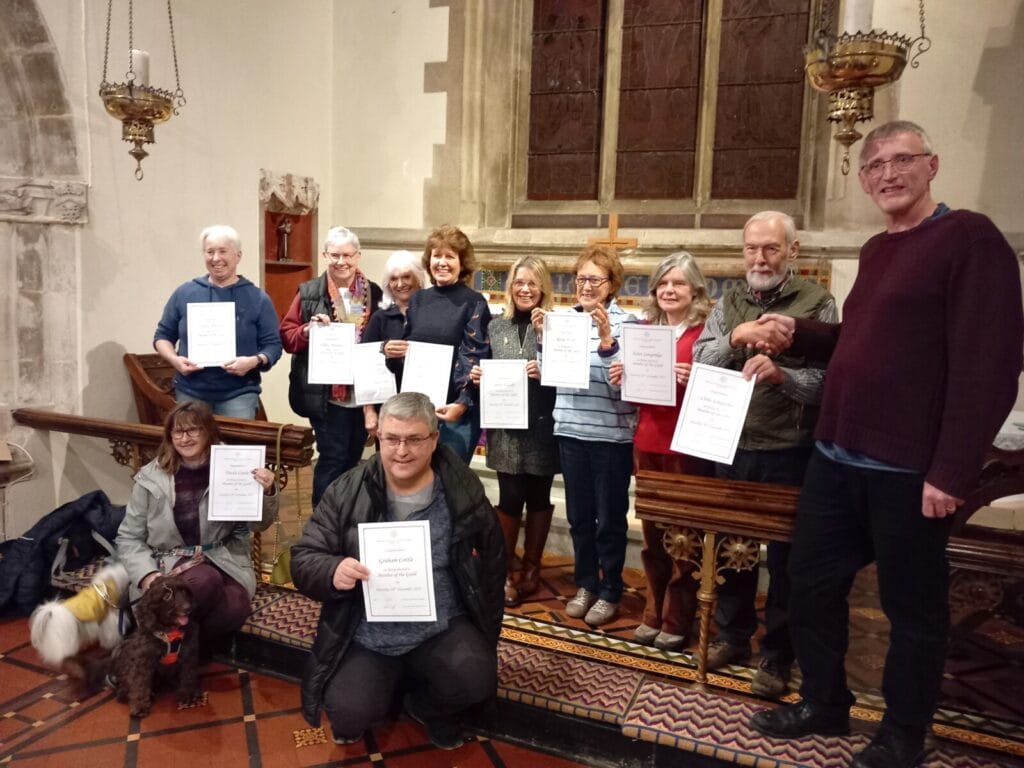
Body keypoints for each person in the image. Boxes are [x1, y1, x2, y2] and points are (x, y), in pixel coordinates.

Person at [748, 121, 1023, 768]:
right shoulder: (877, 249)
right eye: (874, 166)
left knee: (913, 609)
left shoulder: (969, 239)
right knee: (810, 583)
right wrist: (803, 334)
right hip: (838, 453)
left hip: (907, 467)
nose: (887, 174)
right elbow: (864, 343)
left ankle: (903, 731)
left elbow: (989, 365)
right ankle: (824, 702)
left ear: (932, 165)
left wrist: (953, 470)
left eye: (901, 160)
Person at [290, 392, 505, 750]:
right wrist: (332, 569)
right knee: (347, 714)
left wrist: (485, 629)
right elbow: (303, 557)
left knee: (476, 678)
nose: (401, 451)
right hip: (367, 632)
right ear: (378, 437)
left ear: (434, 439)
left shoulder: (461, 491)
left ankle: (426, 707)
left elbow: (493, 564)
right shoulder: (347, 490)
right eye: (392, 439)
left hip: (441, 627)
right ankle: (385, 686)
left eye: (414, 439)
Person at [692, 211, 837, 698]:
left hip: (787, 448)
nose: (760, 257)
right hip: (729, 443)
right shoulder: (728, 301)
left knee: (787, 558)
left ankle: (778, 653)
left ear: (791, 252)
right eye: (752, 248)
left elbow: (829, 385)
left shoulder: (819, 304)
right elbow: (699, 360)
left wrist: (783, 376)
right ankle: (733, 636)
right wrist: (736, 337)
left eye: (771, 248)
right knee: (734, 550)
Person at [609, 252, 714, 651]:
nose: (669, 290)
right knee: (653, 535)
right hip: (647, 441)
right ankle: (653, 609)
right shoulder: (645, 331)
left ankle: (678, 615)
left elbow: (723, 388)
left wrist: (697, 376)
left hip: (686, 445)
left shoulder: (705, 335)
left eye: (679, 284)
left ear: (695, 290)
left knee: (683, 536)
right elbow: (636, 396)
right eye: (663, 284)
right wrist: (622, 377)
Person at [115, 402, 278, 643]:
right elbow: (129, 537)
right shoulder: (151, 476)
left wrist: (267, 491)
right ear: (169, 436)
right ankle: (158, 647)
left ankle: (170, 651)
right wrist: (146, 575)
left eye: (193, 430)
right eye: (178, 432)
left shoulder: (235, 467)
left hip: (224, 558)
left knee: (234, 607)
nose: (184, 438)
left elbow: (259, 526)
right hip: (168, 562)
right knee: (204, 580)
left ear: (208, 432)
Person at [535, 244, 637, 627]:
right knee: (579, 516)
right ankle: (584, 584)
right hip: (571, 429)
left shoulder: (629, 324)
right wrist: (545, 340)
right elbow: (550, 377)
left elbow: (625, 387)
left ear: (611, 285)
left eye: (595, 279)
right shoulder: (564, 321)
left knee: (609, 517)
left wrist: (608, 340)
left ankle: (610, 588)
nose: (586, 286)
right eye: (581, 279)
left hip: (611, 435)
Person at [469, 256, 559, 607]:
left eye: (533, 283)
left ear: (543, 289)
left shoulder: (555, 326)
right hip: (506, 428)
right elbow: (481, 364)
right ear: (510, 287)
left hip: (543, 425)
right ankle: (505, 571)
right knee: (509, 498)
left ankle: (532, 570)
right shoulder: (496, 326)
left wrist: (546, 357)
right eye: (519, 282)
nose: (525, 289)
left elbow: (568, 374)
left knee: (538, 496)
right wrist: (478, 376)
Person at [280, 226, 382, 507]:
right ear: (325, 255)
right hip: (327, 395)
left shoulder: (373, 292)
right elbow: (287, 336)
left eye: (347, 255)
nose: (341, 262)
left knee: (352, 459)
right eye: (335, 255)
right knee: (332, 458)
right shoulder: (309, 292)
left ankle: (345, 519)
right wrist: (307, 331)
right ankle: (323, 526)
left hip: (362, 395)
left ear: (358, 256)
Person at [154, 224, 282, 419]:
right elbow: (162, 336)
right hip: (190, 392)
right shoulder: (185, 293)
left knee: (236, 449)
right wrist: (175, 360)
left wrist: (253, 361)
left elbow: (273, 346)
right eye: (210, 252)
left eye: (223, 251)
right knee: (192, 448)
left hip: (239, 393)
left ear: (238, 255)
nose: (216, 258)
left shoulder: (257, 298)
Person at [401, 225, 492, 463]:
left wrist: (461, 405)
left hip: (455, 413)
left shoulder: (473, 302)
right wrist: (392, 353)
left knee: (451, 485)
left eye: (450, 256)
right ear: (428, 260)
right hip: (418, 411)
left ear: (462, 263)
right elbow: (408, 350)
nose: (442, 262)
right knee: (417, 480)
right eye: (436, 255)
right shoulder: (418, 300)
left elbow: (477, 357)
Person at [361, 250, 429, 439]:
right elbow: (365, 366)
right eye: (394, 279)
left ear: (419, 279)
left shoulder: (433, 316)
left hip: (426, 408)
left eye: (406, 277)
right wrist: (369, 412)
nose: (400, 284)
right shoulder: (380, 318)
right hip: (388, 409)